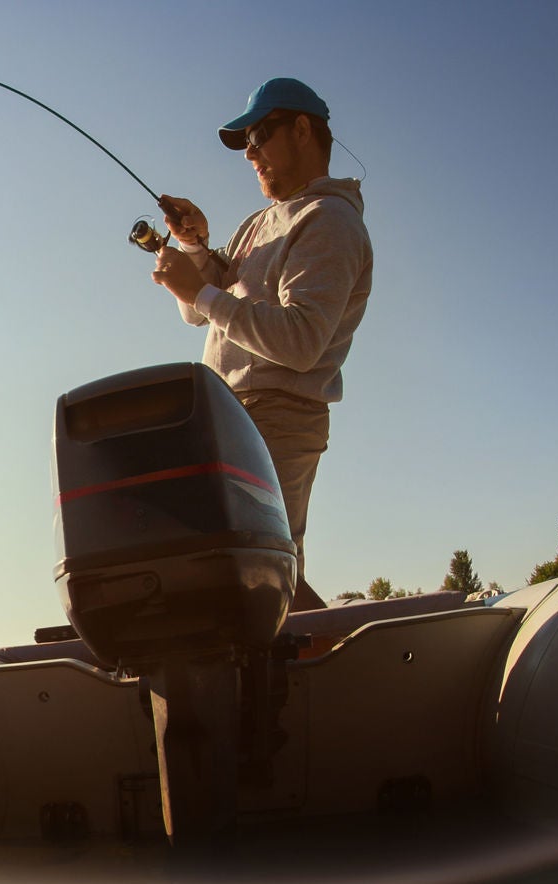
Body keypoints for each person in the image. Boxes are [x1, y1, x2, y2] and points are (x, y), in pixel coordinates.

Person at [149, 76, 372, 611]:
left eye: (260, 136)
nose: (250, 154)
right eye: (245, 144)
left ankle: (337, 665)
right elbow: (196, 315)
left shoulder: (329, 221)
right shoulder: (260, 223)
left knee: (259, 570)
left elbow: (300, 342)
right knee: (236, 565)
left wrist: (200, 289)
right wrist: (197, 248)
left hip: (280, 414)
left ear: (302, 129)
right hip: (228, 414)